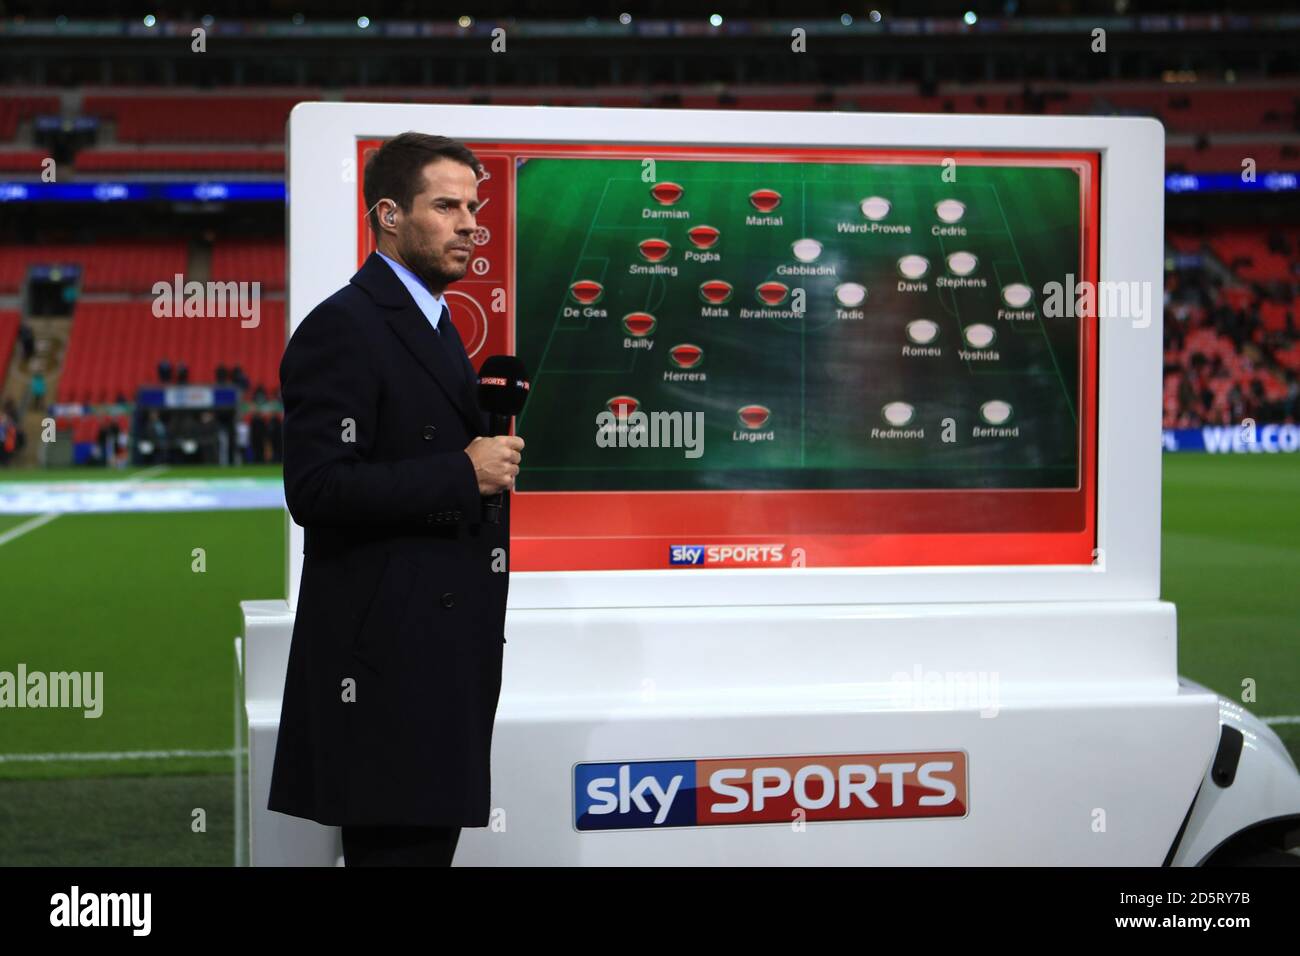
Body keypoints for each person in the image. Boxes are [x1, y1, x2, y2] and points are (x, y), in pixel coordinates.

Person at [268, 132, 523, 867]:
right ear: (387, 215)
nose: (470, 222)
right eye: (445, 206)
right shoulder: (343, 327)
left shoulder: (430, 321)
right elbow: (315, 488)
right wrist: (460, 472)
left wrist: (478, 470)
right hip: (385, 679)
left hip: (432, 663)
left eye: (471, 206)